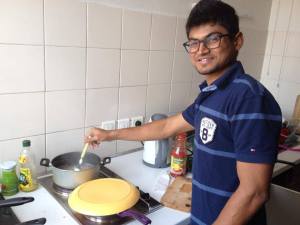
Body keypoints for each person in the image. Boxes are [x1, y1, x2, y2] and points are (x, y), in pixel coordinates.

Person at [85, 0, 282, 224]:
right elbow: (167, 126)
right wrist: (109, 134)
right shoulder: (211, 95)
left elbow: (253, 193)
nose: (202, 50)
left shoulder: (248, 99)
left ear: (237, 41)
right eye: (194, 42)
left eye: (213, 39)